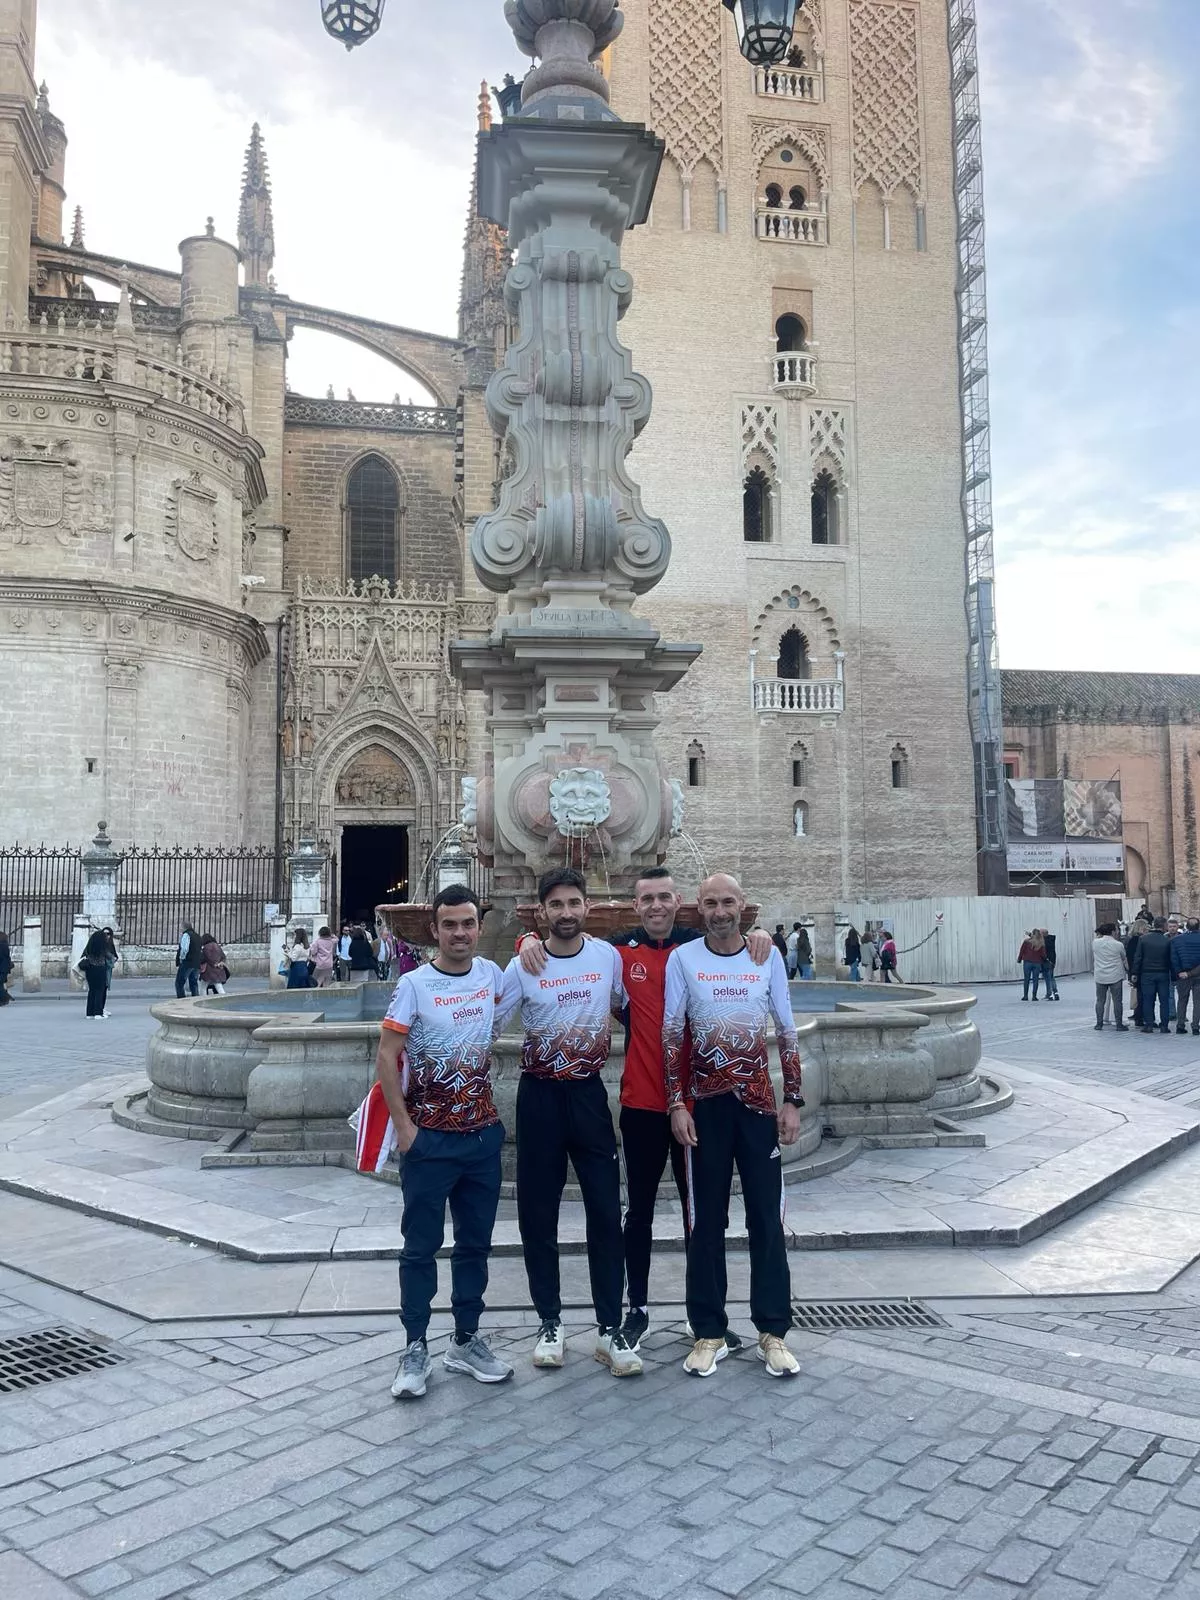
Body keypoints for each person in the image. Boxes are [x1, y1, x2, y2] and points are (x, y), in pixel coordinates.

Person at [517, 866, 772, 1351]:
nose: (656, 907)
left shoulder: (699, 951)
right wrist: (526, 938)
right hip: (640, 1102)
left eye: (664, 898)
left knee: (704, 1215)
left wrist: (757, 933)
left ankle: (709, 1319)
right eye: (646, 899)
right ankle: (637, 1309)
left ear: (680, 903)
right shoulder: (616, 954)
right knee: (638, 1214)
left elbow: (739, 946)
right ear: (635, 906)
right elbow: (565, 955)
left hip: (700, 1105)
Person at [496, 867, 639, 1377]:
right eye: (555, 905)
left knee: (605, 1210)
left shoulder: (607, 958)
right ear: (541, 912)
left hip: (588, 1096)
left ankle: (608, 1326)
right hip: (538, 1099)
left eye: (573, 903)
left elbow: (633, 1008)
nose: (566, 913)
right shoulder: (522, 966)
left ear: (586, 907)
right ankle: (549, 1322)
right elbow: (486, 1020)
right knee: (539, 1215)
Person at [374, 884, 514, 1401]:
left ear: (479, 927)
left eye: (468, 923)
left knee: (474, 1245)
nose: (460, 933)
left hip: (480, 1137)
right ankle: (415, 1346)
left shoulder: (491, 976)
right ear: (434, 930)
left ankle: (466, 1340)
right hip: (430, 1139)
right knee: (420, 1247)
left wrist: (530, 946)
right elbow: (387, 1056)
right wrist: (405, 1128)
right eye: (450, 924)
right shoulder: (414, 984)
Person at [664, 872, 803, 1379]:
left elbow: (786, 1031)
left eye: (728, 902)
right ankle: (708, 1331)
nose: (720, 910)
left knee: (767, 1219)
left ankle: (773, 1331)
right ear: (699, 909)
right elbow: (671, 1036)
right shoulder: (684, 959)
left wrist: (794, 1100)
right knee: (705, 1222)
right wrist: (677, 1104)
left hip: (758, 1106)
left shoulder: (766, 956)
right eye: (711, 903)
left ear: (744, 906)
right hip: (705, 1107)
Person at [1133, 917, 1173, 1034]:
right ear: (1164, 926)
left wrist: (1135, 972)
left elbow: (1138, 957)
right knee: (1164, 1000)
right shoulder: (1167, 940)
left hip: (1147, 974)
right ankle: (1164, 1026)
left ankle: (1149, 1025)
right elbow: (1171, 958)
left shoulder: (1143, 939)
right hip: (1163, 973)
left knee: (1148, 1000)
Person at [1092, 924, 1129, 1031]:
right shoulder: (1118, 944)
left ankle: (1099, 1024)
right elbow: (1123, 957)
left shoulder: (1095, 943)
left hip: (1100, 975)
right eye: (1117, 930)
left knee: (1100, 1000)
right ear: (1112, 932)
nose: (1117, 932)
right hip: (1115, 975)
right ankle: (1119, 1024)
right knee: (1117, 1001)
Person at [1171, 918, 1200, 1036]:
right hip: (1198, 975)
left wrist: (1179, 973)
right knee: (1198, 1002)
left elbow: (1173, 959)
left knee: (1182, 1000)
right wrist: (1192, 973)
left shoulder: (1176, 940)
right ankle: (1195, 1027)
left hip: (1182, 974)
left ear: (1186, 927)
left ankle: (1180, 1025)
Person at [78, 929, 109, 1019]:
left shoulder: (89, 947)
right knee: (100, 990)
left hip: (89, 969)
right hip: (100, 969)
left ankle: (89, 1013)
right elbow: (109, 956)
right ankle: (98, 1013)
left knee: (92, 991)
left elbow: (83, 956)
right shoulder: (102, 948)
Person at [1126, 918, 1150, 1025]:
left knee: (1140, 994)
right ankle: (1140, 1017)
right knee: (1141, 995)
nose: (1147, 930)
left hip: (1136, 971)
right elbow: (1132, 958)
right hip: (1139, 971)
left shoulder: (1133, 940)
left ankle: (1139, 1016)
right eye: (1145, 928)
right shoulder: (1137, 940)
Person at [174, 923, 201, 998]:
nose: (180, 929)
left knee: (179, 982)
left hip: (188, 962)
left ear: (184, 928)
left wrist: (181, 958)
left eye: (181, 927)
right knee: (194, 983)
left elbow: (185, 949)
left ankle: (181, 999)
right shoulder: (197, 936)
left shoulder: (186, 935)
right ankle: (195, 998)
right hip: (196, 962)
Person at [1017, 931, 1045, 1000]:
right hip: (1037, 963)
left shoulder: (1026, 942)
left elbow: (1022, 951)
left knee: (1026, 979)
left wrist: (1019, 959)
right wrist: (1044, 960)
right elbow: (1043, 954)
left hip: (1027, 962)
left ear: (1032, 934)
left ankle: (1025, 996)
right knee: (1035, 980)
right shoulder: (1041, 944)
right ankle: (1034, 996)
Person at [1040, 929, 1060, 1000]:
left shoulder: (1045, 941)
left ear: (1044, 934)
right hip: (1052, 962)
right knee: (1051, 977)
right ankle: (1056, 993)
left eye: (1040, 933)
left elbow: (1040, 944)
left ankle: (1050, 994)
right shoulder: (1051, 940)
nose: (1039, 935)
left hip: (1047, 962)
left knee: (1048, 978)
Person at [0, 931, 12, 1006]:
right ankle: (4, 999)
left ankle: (6, 998)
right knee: (0, 985)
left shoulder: (1, 946)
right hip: (4, 969)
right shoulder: (4, 945)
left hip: (2, 969)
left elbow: (3, 959)